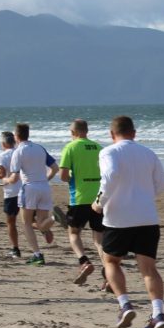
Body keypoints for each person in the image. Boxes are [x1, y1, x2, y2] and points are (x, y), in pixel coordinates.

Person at [92, 115, 164, 328]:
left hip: (119, 217)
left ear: (111, 134)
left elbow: (110, 176)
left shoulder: (108, 151)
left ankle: (124, 304)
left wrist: (99, 202)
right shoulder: (148, 153)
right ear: (134, 133)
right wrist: (144, 196)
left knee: (111, 261)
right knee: (148, 269)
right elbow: (161, 184)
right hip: (147, 217)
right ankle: (158, 313)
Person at [54, 119, 104, 284]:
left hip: (79, 197)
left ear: (73, 133)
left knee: (74, 232)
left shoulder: (70, 147)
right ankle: (108, 269)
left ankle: (84, 261)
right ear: (87, 131)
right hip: (98, 198)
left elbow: (63, 175)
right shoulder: (98, 147)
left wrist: (71, 179)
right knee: (98, 238)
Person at [4, 123, 58, 267]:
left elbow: (14, 178)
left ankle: (37, 254)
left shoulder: (18, 151)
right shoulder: (39, 148)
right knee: (41, 224)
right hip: (44, 187)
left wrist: (5, 180)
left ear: (16, 136)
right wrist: (45, 179)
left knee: (26, 223)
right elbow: (54, 168)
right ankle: (53, 218)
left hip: (29, 188)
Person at [0, 131, 22, 258]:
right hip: (24, 190)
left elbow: (2, 173)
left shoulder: (2, 156)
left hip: (11, 192)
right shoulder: (20, 152)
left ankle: (15, 248)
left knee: (11, 222)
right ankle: (44, 227)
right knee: (30, 220)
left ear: (3, 143)